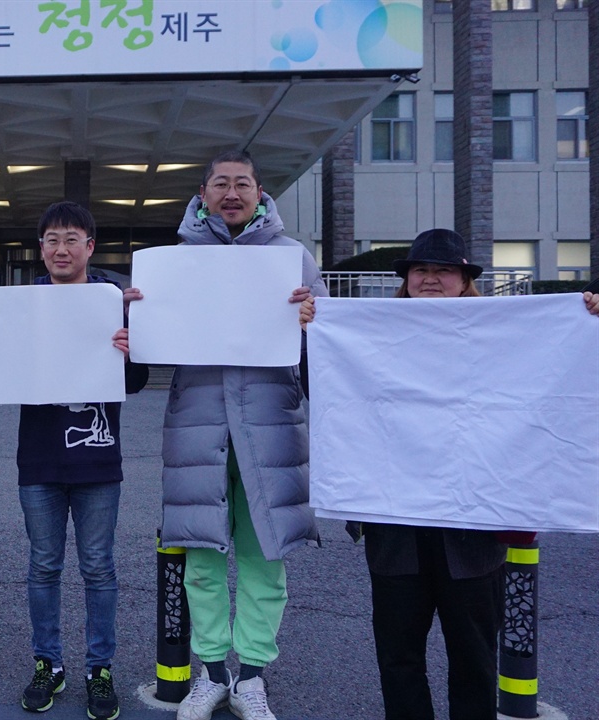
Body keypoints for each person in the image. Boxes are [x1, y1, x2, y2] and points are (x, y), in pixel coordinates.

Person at [298, 228, 599, 720]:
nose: (431, 279)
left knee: (474, 660)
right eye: (422, 270)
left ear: (464, 281)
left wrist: (585, 324)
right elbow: (333, 396)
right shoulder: (374, 333)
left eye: (444, 271)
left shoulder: (501, 337)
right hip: (395, 527)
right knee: (398, 658)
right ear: (407, 279)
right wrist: (314, 335)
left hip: (474, 533)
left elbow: (558, 379)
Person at [150, 150, 326, 720]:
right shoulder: (174, 262)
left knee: (264, 555)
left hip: (271, 424)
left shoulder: (291, 258)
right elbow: (154, 343)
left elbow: (323, 347)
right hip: (197, 424)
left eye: (242, 183)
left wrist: (311, 319)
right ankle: (211, 673)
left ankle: (251, 676)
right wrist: (137, 318)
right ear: (202, 194)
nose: (232, 192)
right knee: (200, 555)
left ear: (259, 193)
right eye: (220, 184)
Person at [15, 201, 147, 720]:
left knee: (98, 568)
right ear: (41, 249)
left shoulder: (112, 301)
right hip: (38, 459)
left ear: (90, 247)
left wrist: (130, 347)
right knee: (43, 567)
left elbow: (134, 383)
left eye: (72, 239)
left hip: (97, 459)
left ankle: (99, 668)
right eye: (51, 239)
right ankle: (48, 663)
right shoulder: (20, 305)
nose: (60, 248)